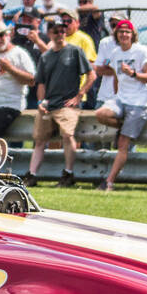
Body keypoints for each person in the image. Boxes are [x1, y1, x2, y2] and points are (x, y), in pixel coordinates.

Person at [26, 14, 92, 187]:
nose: (60, 33)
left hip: (67, 105)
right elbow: (40, 83)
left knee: (68, 135)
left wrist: (79, 95)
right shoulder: (46, 57)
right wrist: (41, 102)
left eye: (63, 30)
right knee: (39, 140)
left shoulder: (74, 51)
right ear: (50, 34)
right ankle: (31, 175)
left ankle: (68, 173)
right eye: (56, 31)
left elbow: (91, 75)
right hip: (49, 104)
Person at [93, 20, 147, 191]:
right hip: (121, 99)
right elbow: (117, 78)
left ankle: (109, 182)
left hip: (138, 102)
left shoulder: (141, 51)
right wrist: (116, 95)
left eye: (127, 32)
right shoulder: (116, 52)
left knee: (122, 144)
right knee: (100, 114)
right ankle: (123, 127)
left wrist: (133, 73)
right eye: (121, 32)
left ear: (133, 34)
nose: (124, 35)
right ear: (116, 35)